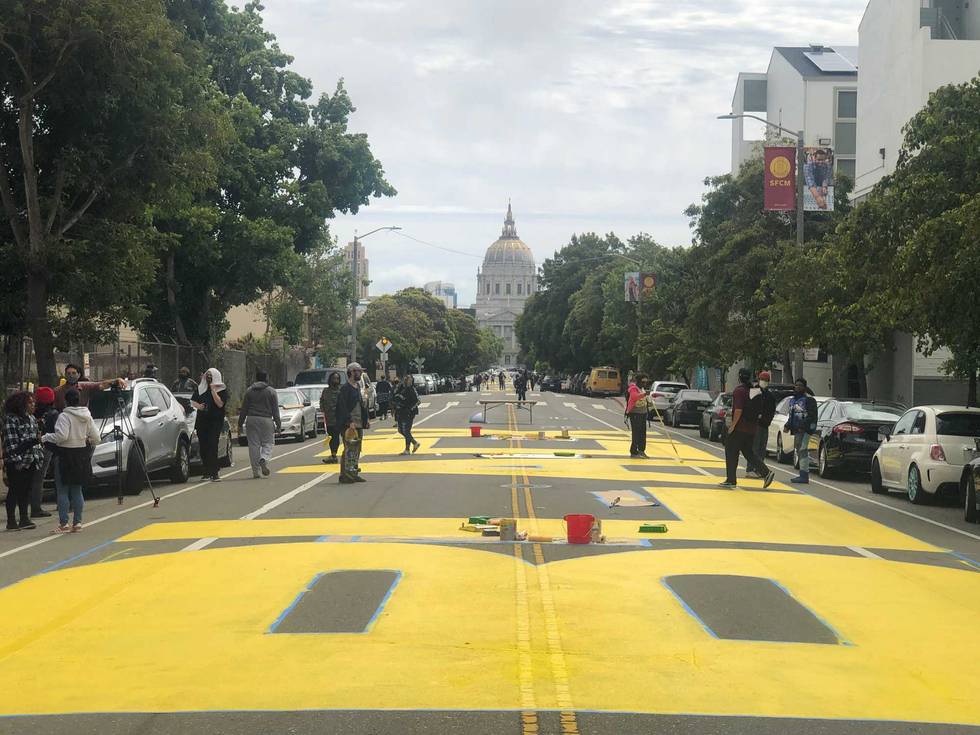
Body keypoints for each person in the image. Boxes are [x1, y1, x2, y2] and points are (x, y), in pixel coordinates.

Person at [42, 388, 100, 533]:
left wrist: (46, 437)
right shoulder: (87, 415)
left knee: (62, 490)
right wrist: (86, 440)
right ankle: (78, 522)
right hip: (81, 454)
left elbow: (61, 436)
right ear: (79, 400)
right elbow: (96, 437)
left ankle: (63, 523)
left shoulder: (64, 416)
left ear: (66, 401)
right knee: (77, 489)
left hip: (65, 454)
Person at [720, 367, 775, 489]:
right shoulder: (754, 390)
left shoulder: (739, 391)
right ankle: (766, 473)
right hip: (752, 428)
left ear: (739, 377)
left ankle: (731, 479)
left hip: (740, 427)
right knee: (749, 453)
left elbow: (738, 410)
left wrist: (732, 426)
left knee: (731, 451)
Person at [2, 391, 43, 530]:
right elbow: (11, 445)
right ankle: (11, 520)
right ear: (21, 404)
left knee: (26, 490)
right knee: (14, 490)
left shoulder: (31, 418)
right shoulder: (11, 419)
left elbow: (35, 439)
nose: (33, 405)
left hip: (30, 459)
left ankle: (24, 518)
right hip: (16, 461)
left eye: (34, 403)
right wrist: (16, 462)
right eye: (30, 402)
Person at [238, 370, 281, 479]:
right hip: (266, 419)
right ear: (266, 378)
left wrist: (240, 424)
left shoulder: (249, 391)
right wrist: (278, 425)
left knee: (253, 445)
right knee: (268, 443)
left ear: (256, 378)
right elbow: (275, 410)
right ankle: (264, 458)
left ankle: (255, 472)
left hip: (251, 419)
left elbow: (244, 409)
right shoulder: (271, 391)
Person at [191, 368, 228, 482]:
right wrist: (199, 406)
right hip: (202, 421)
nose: (208, 379)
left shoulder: (221, 389)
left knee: (213, 445)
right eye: (207, 377)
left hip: (215, 421)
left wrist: (213, 390)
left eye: (211, 377)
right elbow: (193, 401)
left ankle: (214, 472)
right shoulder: (200, 389)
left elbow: (220, 403)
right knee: (203, 446)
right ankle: (206, 471)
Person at [335, 362, 369, 484]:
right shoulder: (345, 389)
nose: (360, 373)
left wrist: (366, 420)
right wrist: (349, 422)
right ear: (351, 372)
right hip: (349, 425)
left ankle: (353, 473)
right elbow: (343, 407)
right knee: (348, 449)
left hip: (359, 423)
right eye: (357, 371)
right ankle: (344, 475)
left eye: (360, 371)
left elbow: (361, 404)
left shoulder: (357, 387)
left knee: (357, 449)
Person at [29, 387, 59, 519]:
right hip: (46, 448)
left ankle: (30, 506)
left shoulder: (32, 414)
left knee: (32, 478)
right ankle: (36, 508)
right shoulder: (53, 414)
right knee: (39, 478)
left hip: (31, 447)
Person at [785, 378, 819, 484]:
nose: (797, 387)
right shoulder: (793, 400)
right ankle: (802, 474)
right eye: (796, 385)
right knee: (799, 450)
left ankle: (804, 475)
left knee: (803, 450)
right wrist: (787, 425)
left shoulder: (809, 400)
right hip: (797, 430)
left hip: (805, 430)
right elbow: (792, 415)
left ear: (804, 387)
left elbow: (812, 416)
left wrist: (803, 426)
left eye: (800, 385)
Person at [745, 371, 777, 478]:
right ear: (759, 380)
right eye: (763, 379)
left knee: (762, 448)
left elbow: (772, 410)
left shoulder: (770, 395)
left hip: (765, 424)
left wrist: (768, 420)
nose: (764, 382)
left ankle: (759, 469)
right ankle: (750, 469)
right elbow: (749, 406)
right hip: (755, 424)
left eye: (766, 380)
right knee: (754, 447)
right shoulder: (754, 391)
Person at [54, 363, 121, 409]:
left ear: (79, 375)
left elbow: (101, 384)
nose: (71, 376)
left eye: (74, 373)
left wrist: (117, 380)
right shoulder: (58, 391)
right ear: (65, 375)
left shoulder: (85, 386)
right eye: (68, 373)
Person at [393, 374, 421, 456]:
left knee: (406, 430)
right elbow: (395, 396)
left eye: (410, 380)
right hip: (401, 411)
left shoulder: (412, 390)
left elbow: (417, 401)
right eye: (407, 380)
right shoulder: (401, 388)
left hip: (408, 413)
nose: (408, 381)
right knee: (400, 430)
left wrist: (410, 409)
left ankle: (407, 449)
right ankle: (414, 442)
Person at [319, 371, 343, 464]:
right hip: (328, 418)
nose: (335, 380)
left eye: (337, 378)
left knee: (336, 437)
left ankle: (334, 455)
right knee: (330, 437)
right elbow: (322, 401)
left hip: (338, 419)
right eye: (334, 378)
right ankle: (332, 454)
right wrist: (322, 408)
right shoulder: (326, 391)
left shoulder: (340, 391)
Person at [625, 374, 650, 458]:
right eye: (643, 382)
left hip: (643, 413)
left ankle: (641, 450)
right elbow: (634, 397)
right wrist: (644, 394)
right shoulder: (633, 389)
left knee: (642, 433)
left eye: (646, 382)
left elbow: (644, 399)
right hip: (635, 413)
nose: (645, 384)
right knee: (636, 433)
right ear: (638, 381)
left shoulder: (642, 389)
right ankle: (633, 451)